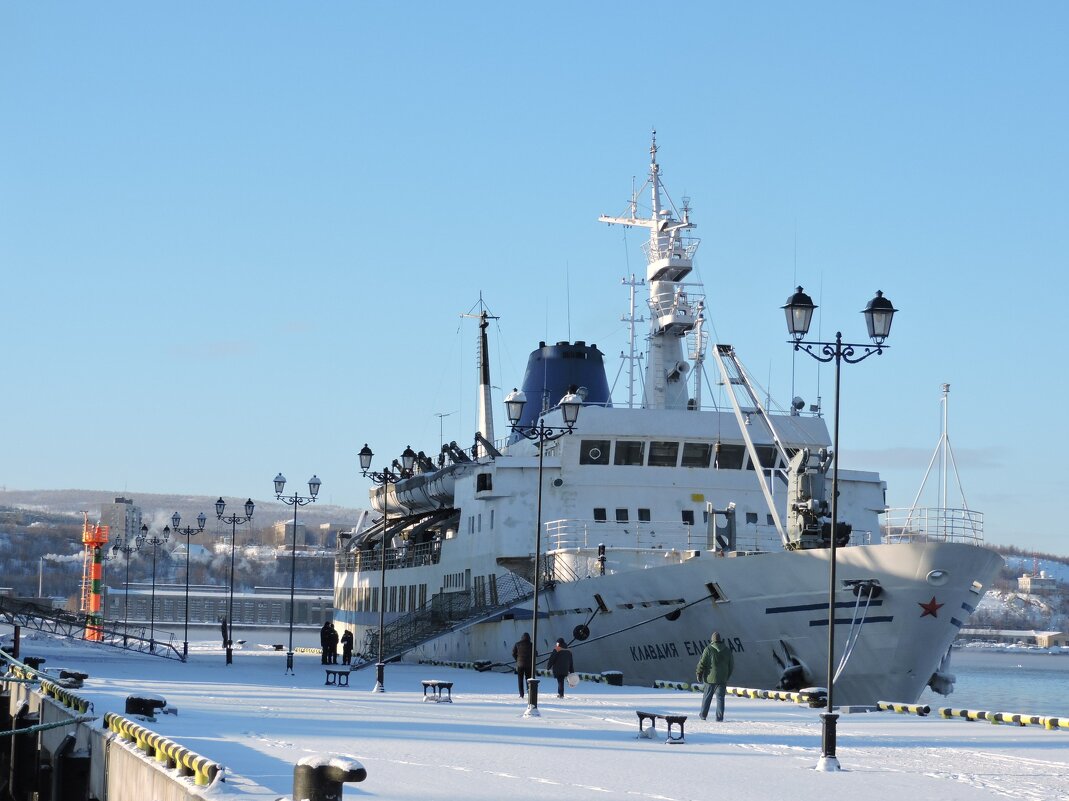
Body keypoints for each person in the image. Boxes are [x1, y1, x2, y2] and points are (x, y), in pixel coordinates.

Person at [696, 630, 734, 721]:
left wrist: (699, 673)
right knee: (720, 698)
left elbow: (702, 663)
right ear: (720, 640)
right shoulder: (727, 650)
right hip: (722, 679)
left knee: (707, 697)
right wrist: (726, 676)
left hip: (710, 679)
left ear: (712, 640)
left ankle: (703, 715)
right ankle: (719, 717)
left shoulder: (708, 649)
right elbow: (731, 665)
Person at [512, 632, 533, 697]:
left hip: (520, 664)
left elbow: (513, 653)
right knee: (528, 679)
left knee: (520, 679)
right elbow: (535, 653)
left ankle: (521, 694)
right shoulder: (531, 644)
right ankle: (529, 692)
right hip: (529, 665)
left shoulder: (517, 644)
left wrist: (517, 659)